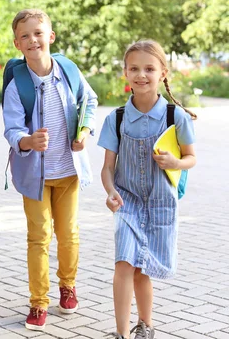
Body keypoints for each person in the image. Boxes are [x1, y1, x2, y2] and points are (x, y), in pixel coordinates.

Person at [2, 9, 98, 330]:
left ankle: (67, 285)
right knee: (39, 237)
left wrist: (83, 133)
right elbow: (11, 130)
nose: (33, 39)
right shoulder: (18, 86)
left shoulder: (68, 70)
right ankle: (38, 301)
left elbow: (90, 101)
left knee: (68, 235)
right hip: (35, 177)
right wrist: (28, 141)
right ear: (18, 43)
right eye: (25, 36)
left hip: (68, 171)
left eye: (38, 33)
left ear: (50, 36)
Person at [98, 40, 197, 339]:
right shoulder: (115, 118)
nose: (141, 74)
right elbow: (107, 168)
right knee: (124, 263)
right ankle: (121, 333)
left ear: (163, 72)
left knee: (142, 270)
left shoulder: (174, 117)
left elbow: (191, 158)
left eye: (149, 68)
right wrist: (110, 191)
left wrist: (175, 162)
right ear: (126, 73)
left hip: (160, 204)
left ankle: (146, 324)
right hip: (127, 202)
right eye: (134, 68)